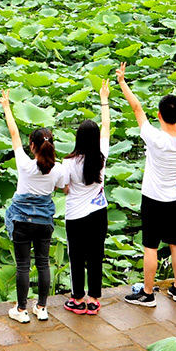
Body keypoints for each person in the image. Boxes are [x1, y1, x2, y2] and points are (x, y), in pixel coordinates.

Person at [119, 56, 176, 307]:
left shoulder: (154, 137)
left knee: (150, 246)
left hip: (153, 198)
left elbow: (137, 109)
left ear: (160, 115)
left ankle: (148, 293)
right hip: (175, 198)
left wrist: (122, 82)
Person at [0, 90, 64, 323]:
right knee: (44, 263)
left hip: (22, 222)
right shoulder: (57, 169)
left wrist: (7, 106)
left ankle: (21, 310)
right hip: (44, 222)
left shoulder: (25, 165)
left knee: (23, 266)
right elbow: (62, 187)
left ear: (32, 146)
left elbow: (13, 133)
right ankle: (43, 307)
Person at [60, 79, 111, 315]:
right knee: (95, 256)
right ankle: (93, 299)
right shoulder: (101, 156)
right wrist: (104, 100)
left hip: (76, 215)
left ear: (78, 139)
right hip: (98, 213)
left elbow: (64, 188)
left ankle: (77, 299)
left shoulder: (68, 162)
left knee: (76, 257)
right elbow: (107, 126)